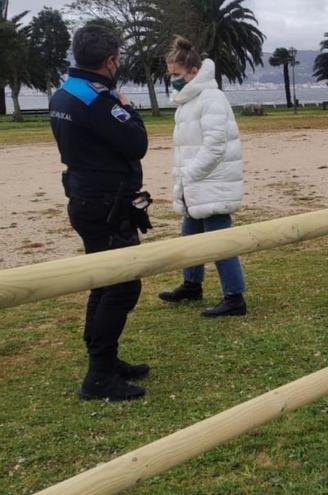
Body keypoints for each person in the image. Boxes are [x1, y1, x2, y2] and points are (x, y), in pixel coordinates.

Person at [49, 25, 153, 401]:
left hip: (86, 197)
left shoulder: (62, 94)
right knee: (123, 283)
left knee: (103, 280)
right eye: (119, 58)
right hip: (105, 203)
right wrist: (126, 107)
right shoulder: (98, 100)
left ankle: (105, 360)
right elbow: (137, 143)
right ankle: (98, 375)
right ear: (110, 61)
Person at [158, 36, 247, 317]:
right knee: (190, 236)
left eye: (176, 75)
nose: (172, 80)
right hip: (196, 184)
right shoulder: (188, 101)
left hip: (212, 182)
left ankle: (234, 297)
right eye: (170, 75)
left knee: (220, 242)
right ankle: (192, 284)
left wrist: (190, 174)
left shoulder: (211, 98)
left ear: (194, 72)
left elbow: (215, 145)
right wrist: (187, 179)